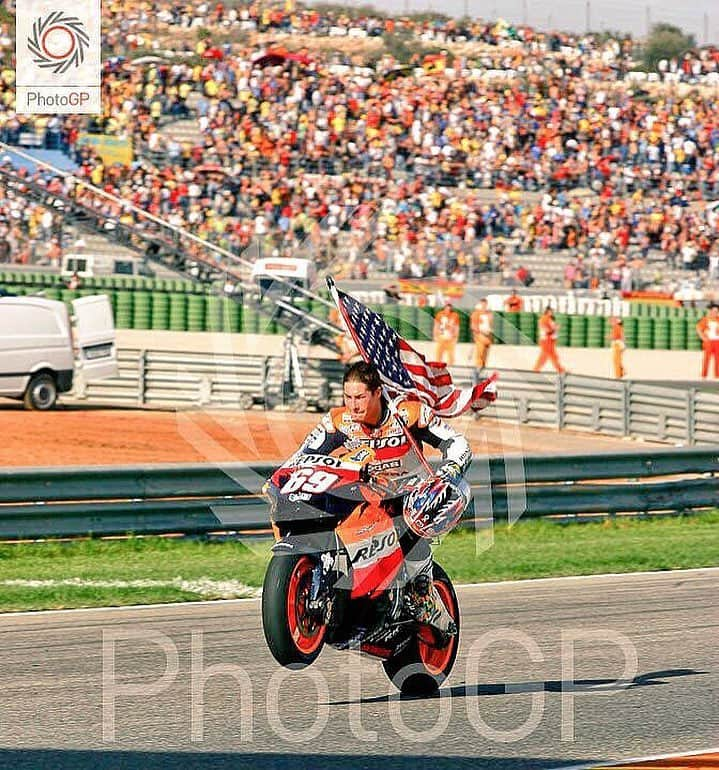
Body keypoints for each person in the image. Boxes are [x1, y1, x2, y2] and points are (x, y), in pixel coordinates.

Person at [280, 361, 474, 635]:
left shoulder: (408, 414)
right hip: (364, 496)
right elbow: (301, 457)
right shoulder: (339, 421)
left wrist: (450, 469)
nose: (353, 405)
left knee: (422, 509)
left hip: (410, 495)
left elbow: (457, 443)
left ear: (377, 393)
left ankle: (423, 592)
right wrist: (282, 479)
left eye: (360, 397)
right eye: (347, 397)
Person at [533, 306, 566, 374]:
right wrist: (555, 328)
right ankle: (560, 369)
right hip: (546, 340)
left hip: (550, 340)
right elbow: (546, 330)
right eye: (551, 311)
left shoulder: (549, 319)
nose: (552, 313)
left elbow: (551, 327)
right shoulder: (544, 319)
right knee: (550, 356)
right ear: (547, 311)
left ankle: (536, 369)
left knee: (547, 356)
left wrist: (555, 328)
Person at [696, 304, 719, 379]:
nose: (715, 313)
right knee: (707, 359)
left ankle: (717, 375)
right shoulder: (705, 319)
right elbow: (699, 329)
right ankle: (704, 375)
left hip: (717, 341)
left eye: (717, 311)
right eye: (714, 311)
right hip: (709, 342)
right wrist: (703, 338)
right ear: (711, 311)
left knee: (717, 359)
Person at [470, 298, 493, 370]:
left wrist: (490, 331)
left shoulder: (489, 314)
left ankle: (483, 367)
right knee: (480, 353)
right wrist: (480, 331)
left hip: (488, 337)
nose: (484, 306)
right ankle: (478, 367)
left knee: (485, 354)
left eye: (485, 304)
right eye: (483, 305)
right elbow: (473, 325)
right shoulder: (476, 314)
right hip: (480, 336)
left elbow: (491, 325)